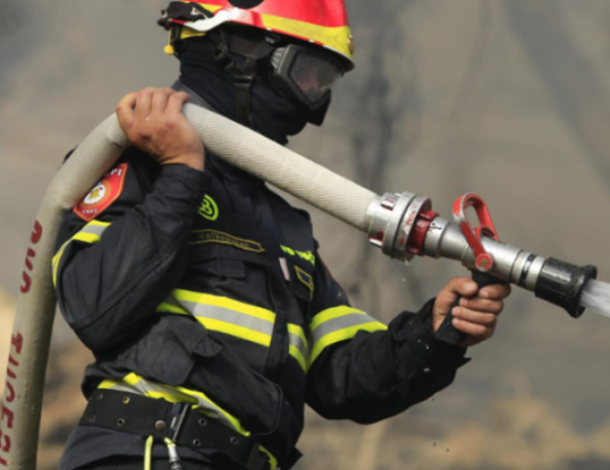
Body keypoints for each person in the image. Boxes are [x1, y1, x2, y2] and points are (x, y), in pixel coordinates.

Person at [53, 2, 511, 469]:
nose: (313, 103)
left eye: (324, 81)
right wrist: (182, 173)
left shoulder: (283, 226)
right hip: (150, 450)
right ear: (236, 53)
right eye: (305, 71)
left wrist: (437, 332)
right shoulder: (131, 166)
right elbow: (95, 306)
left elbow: (341, 376)